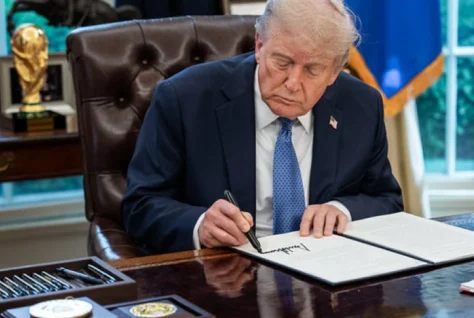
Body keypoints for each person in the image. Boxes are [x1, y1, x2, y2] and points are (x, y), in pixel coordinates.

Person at [122, 0, 403, 254]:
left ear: (334, 72)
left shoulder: (361, 106)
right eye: (282, 62)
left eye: (312, 70)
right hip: (226, 274)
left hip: (328, 272)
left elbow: (387, 200)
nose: (292, 83)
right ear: (259, 46)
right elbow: (141, 205)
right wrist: (200, 225)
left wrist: (342, 210)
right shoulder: (185, 99)